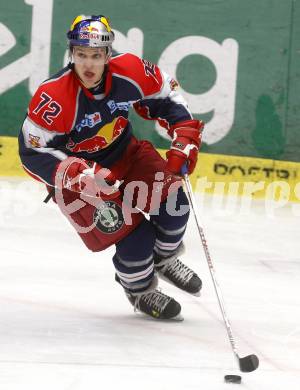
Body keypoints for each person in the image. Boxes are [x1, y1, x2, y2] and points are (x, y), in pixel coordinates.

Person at [19, 14, 204, 321]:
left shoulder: (129, 71)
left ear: (107, 54)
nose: (88, 64)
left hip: (124, 154)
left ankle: (165, 258)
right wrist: (75, 174)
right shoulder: (54, 96)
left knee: (175, 206)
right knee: (136, 240)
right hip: (81, 181)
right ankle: (140, 289)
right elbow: (31, 152)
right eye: (81, 55)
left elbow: (165, 95)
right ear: (71, 54)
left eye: (95, 55)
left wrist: (184, 131)